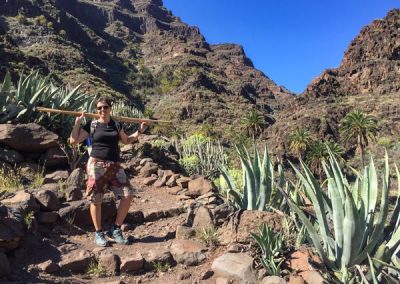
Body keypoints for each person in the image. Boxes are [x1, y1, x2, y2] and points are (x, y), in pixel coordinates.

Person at [70, 96, 147, 246]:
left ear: (110, 108)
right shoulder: (91, 125)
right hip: (96, 164)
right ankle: (99, 233)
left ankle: (115, 229)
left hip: (114, 166)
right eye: (99, 108)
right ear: (96, 110)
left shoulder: (116, 125)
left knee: (128, 194)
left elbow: (126, 140)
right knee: (96, 198)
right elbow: (74, 140)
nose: (102, 110)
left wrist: (139, 131)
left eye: (105, 107)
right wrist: (77, 124)